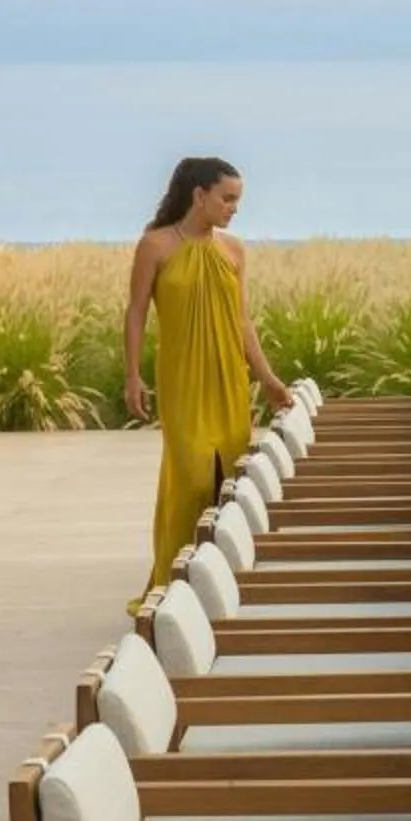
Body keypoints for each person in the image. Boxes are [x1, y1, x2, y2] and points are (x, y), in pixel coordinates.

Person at [124, 155, 293, 595]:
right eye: (227, 198)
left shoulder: (233, 250)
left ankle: (216, 588)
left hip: (228, 379)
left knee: (228, 480)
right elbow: (137, 312)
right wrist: (132, 375)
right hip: (182, 379)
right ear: (199, 195)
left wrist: (268, 378)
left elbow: (243, 322)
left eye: (237, 199)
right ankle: (171, 584)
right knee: (191, 478)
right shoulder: (155, 245)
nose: (234, 207)